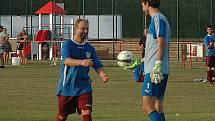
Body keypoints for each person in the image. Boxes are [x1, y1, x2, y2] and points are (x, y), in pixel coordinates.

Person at [56, 19, 109, 121]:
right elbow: (66, 60)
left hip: (84, 86)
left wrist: (103, 75)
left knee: (87, 112)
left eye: (87, 29)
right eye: (83, 28)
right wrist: (82, 62)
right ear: (76, 29)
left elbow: (97, 64)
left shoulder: (89, 48)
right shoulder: (68, 45)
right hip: (67, 86)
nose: (85, 31)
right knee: (62, 116)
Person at [141, 0, 171, 121]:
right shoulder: (159, 19)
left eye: (142, 3)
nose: (142, 6)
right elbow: (154, 46)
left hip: (155, 70)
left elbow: (161, 41)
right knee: (158, 105)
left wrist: (157, 64)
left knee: (147, 106)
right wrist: (140, 62)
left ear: (147, 3)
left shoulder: (158, 18)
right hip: (157, 68)